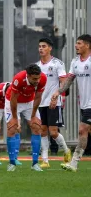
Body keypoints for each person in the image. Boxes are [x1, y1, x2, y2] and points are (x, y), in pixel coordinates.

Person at [50, 34, 91, 172]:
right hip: (84, 104)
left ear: (87, 45)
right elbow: (69, 80)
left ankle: (74, 163)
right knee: (85, 131)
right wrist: (58, 91)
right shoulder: (75, 62)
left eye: (79, 43)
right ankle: (74, 163)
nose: (76, 46)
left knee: (82, 130)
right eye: (76, 43)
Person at [36, 38, 71, 168]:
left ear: (50, 48)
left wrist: (57, 96)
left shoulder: (58, 64)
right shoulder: (37, 66)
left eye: (43, 46)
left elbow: (64, 82)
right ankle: (45, 160)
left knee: (53, 132)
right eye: (39, 46)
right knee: (42, 131)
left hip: (53, 103)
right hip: (40, 103)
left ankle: (67, 151)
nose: (41, 48)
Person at [5, 63, 47, 171]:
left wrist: (33, 116)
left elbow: (38, 97)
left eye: (38, 78)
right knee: (12, 128)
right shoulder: (18, 79)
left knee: (37, 127)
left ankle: (35, 163)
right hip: (13, 101)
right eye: (34, 79)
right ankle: (12, 163)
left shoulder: (42, 79)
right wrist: (15, 118)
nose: (37, 81)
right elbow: (13, 99)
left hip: (29, 102)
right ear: (27, 76)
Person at [0, 82, 22, 165]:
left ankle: (15, 157)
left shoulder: (17, 90)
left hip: (10, 107)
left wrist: (18, 122)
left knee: (16, 129)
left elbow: (16, 108)